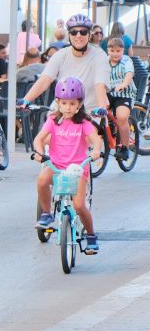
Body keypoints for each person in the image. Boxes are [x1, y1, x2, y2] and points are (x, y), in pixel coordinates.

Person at [31, 77, 102, 254]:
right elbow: (38, 139)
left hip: (78, 169)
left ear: (79, 104)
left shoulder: (84, 123)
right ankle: (46, 213)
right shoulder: (53, 120)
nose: (68, 107)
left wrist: (96, 151)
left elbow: (95, 140)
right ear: (58, 102)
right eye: (64, 103)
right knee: (42, 180)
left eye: (72, 103)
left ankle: (91, 236)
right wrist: (39, 153)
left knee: (79, 206)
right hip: (56, 165)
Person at [21, 13, 110, 116]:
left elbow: (100, 84)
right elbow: (45, 79)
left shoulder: (99, 55)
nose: (78, 35)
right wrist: (26, 100)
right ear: (69, 35)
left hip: (89, 113)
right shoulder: (60, 55)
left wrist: (101, 108)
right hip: (61, 111)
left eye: (83, 32)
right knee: (47, 125)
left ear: (89, 35)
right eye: (74, 32)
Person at [104, 35, 135, 155]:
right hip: (109, 93)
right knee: (96, 112)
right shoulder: (105, 61)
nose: (115, 53)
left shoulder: (126, 60)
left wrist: (124, 84)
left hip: (124, 94)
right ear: (108, 50)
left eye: (118, 51)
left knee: (121, 117)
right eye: (112, 50)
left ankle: (125, 148)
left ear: (123, 50)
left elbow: (129, 73)